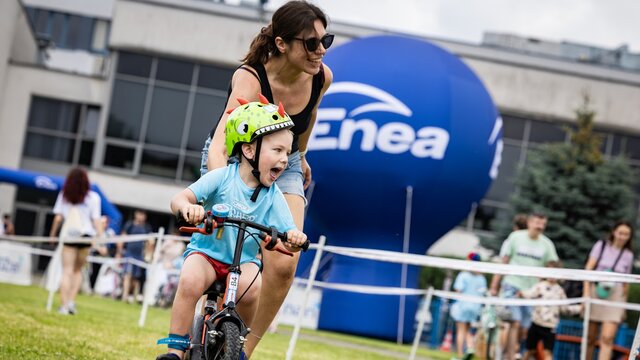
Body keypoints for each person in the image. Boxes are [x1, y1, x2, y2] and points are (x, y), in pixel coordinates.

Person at [200, 1, 333, 355]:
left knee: (286, 257)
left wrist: (300, 156)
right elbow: (219, 144)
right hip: (234, 159)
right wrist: (222, 192)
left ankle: (243, 350)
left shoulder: (322, 77)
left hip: (283, 162)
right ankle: (187, 342)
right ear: (281, 44)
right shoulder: (250, 76)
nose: (320, 50)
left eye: (325, 41)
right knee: (222, 253)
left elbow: (310, 115)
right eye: (311, 42)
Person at [156, 99, 308, 360]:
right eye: (278, 150)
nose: (284, 160)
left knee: (252, 288)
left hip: (244, 261)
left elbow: (288, 234)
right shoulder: (223, 177)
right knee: (190, 280)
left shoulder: (273, 195)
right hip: (207, 254)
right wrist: (189, 208)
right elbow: (179, 199)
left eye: (287, 153)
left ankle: (239, 345)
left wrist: (295, 238)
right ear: (249, 150)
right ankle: (175, 348)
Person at [489, 212, 559, 360]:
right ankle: (508, 356)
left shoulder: (547, 244)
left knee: (524, 328)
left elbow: (552, 267)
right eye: (537, 223)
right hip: (512, 285)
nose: (539, 227)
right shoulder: (516, 237)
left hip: (531, 291)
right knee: (514, 322)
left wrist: (545, 289)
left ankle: (511, 351)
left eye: (543, 224)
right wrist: (494, 285)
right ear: (529, 223)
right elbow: (504, 261)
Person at [48, 167, 103, 315]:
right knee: (78, 271)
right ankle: (71, 303)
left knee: (67, 271)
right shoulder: (93, 197)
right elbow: (96, 221)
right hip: (85, 236)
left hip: (69, 235)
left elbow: (58, 218)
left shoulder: (64, 196)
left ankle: (64, 306)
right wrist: (100, 240)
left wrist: (52, 235)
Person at [584, 221, 635, 360]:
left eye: (627, 234)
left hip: (616, 295)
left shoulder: (628, 255)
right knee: (590, 337)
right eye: (621, 233)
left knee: (607, 338)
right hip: (596, 292)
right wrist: (586, 295)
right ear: (614, 232)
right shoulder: (601, 246)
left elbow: (627, 282)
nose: (623, 237)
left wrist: (623, 306)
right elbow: (588, 269)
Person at [518, 261, 581, 360]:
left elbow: (565, 308)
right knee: (529, 350)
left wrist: (579, 308)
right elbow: (530, 294)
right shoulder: (540, 286)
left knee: (547, 352)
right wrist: (522, 294)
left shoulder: (560, 291)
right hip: (536, 323)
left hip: (550, 326)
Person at [498, 213, 529, 354]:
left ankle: (504, 353)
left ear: (515, 226)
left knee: (507, 324)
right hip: (518, 286)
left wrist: (496, 284)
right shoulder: (523, 241)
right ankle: (510, 352)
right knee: (515, 324)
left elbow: (503, 262)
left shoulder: (510, 240)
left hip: (510, 285)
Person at [450, 252, 487, 360]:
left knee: (460, 330)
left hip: (463, 305)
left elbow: (458, 290)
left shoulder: (463, 275)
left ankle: (460, 355)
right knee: (468, 330)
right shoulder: (482, 278)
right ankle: (470, 348)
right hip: (475, 307)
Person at [117, 209, 153, 303]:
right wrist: (120, 251)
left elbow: (150, 242)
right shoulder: (129, 225)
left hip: (139, 255)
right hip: (129, 253)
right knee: (127, 275)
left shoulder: (147, 228)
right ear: (136, 214)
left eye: (143, 214)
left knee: (135, 277)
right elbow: (123, 237)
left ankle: (130, 295)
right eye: (140, 214)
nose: (141, 216)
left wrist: (148, 255)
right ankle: (124, 296)